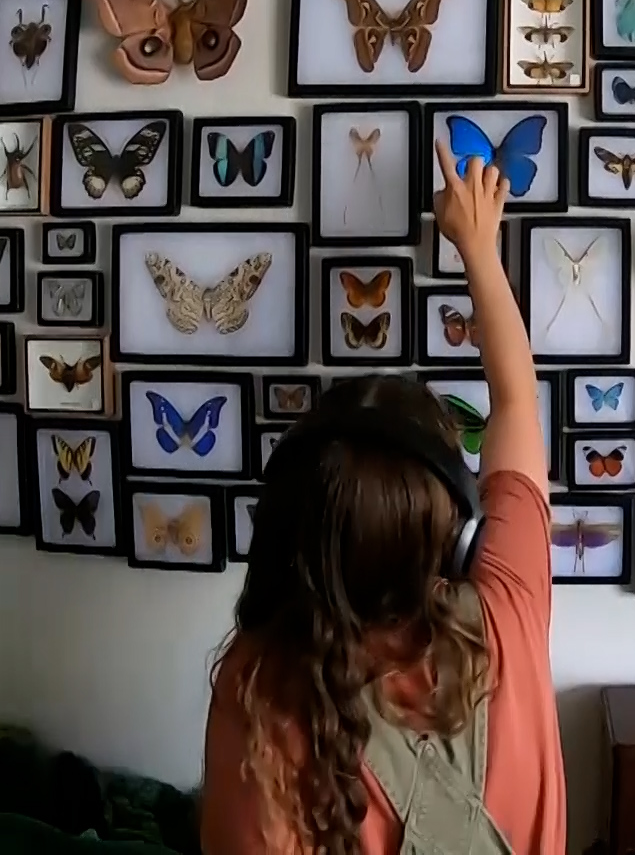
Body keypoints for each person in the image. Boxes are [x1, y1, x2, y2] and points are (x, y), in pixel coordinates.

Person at [201, 140, 563, 855]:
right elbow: (516, 402)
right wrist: (480, 250)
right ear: (456, 537)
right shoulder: (508, 614)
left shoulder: (260, 693)